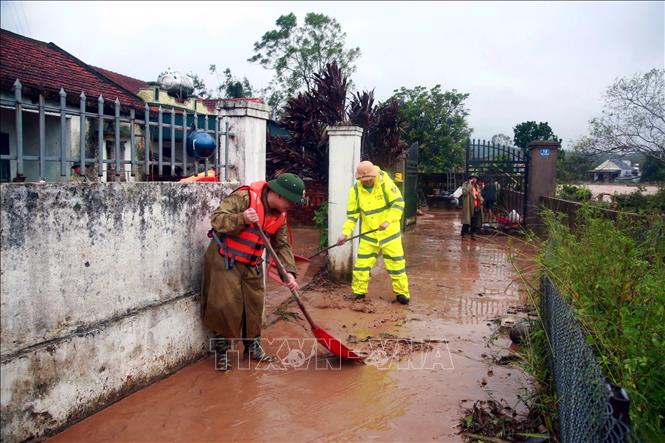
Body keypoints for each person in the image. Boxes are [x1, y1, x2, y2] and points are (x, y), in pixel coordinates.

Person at [201, 173, 306, 371]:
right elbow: (217, 220)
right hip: (225, 258)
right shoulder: (244, 198)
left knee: (255, 305)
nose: (291, 207)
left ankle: (252, 348)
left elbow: (282, 246)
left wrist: (289, 273)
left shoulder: (280, 217)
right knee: (225, 304)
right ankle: (222, 353)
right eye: (290, 202)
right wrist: (242, 217)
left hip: (252, 262)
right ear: (278, 194)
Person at [336, 161, 411, 305]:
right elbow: (352, 216)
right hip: (369, 234)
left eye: (369, 179)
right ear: (359, 179)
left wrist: (388, 221)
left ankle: (402, 293)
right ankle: (358, 292)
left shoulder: (385, 183)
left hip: (389, 233)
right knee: (361, 265)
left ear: (374, 175)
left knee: (396, 265)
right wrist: (345, 234)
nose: (367, 182)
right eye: (363, 180)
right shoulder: (356, 191)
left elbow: (398, 204)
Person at [461, 174, 483, 239]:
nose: (474, 179)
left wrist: (481, 199)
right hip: (468, 205)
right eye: (473, 178)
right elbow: (464, 193)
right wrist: (470, 184)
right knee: (467, 221)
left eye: (475, 178)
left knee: (474, 222)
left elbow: (478, 194)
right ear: (470, 179)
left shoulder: (477, 186)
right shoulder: (465, 184)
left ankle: (472, 234)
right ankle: (464, 234)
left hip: (476, 205)